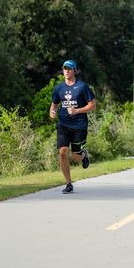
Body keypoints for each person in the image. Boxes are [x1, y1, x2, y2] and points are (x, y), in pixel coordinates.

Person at [49, 59, 96, 194]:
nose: (67, 71)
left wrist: (77, 110)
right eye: (65, 68)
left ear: (74, 70)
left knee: (75, 157)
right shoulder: (59, 88)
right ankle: (68, 184)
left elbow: (92, 105)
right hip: (63, 124)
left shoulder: (82, 87)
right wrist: (52, 113)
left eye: (69, 69)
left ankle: (83, 155)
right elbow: (54, 105)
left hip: (79, 125)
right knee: (62, 152)